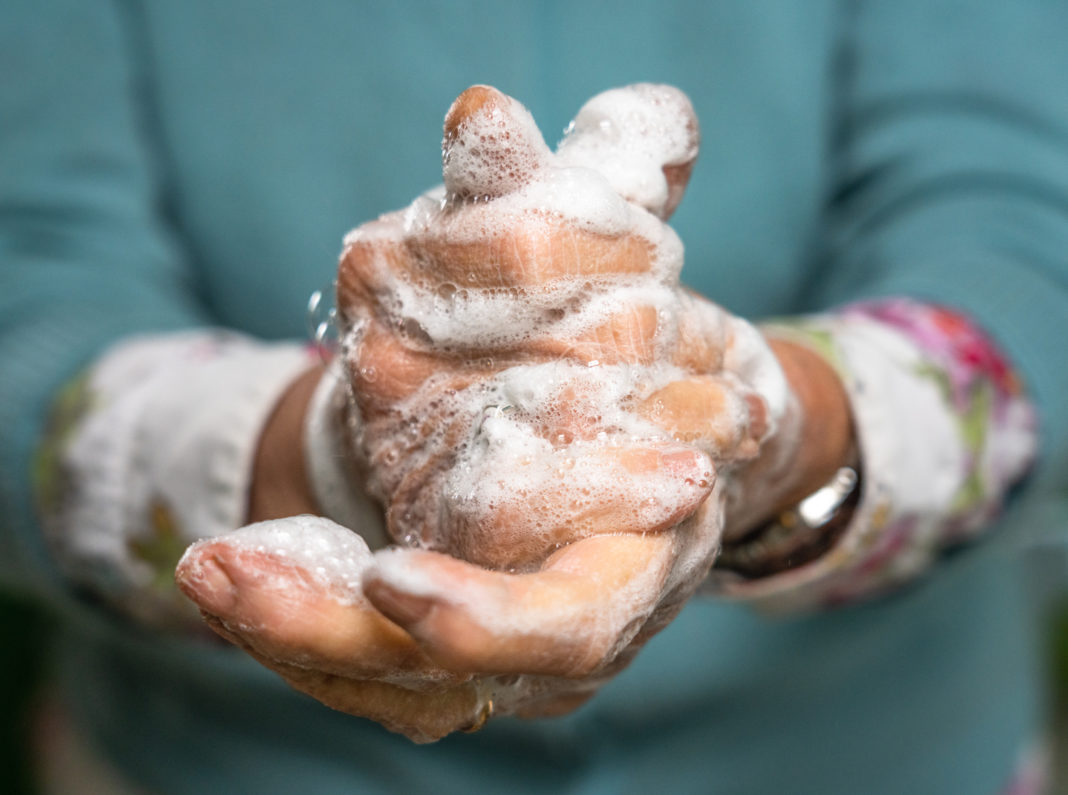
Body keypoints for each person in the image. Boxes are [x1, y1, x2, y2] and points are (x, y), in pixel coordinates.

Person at [1, 1, 1065, 792]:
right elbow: (32, 282)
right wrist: (346, 458)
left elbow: (1020, 224)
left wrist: (777, 428)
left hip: (886, 756)